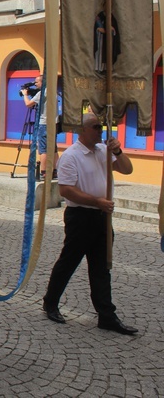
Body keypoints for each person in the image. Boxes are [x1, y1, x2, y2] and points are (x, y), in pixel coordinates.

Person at [42, 113, 136, 334]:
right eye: (96, 126)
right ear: (82, 130)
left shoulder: (104, 151)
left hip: (103, 216)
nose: (101, 130)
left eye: (102, 126)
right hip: (81, 216)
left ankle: (106, 315)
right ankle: (51, 302)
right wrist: (96, 201)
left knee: (102, 267)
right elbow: (66, 190)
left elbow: (127, 169)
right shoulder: (71, 156)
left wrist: (118, 151)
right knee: (69, 261)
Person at [21, 75, 59, 181]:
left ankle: (44, 173)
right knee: (53, 148)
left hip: (44, 124)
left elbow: (28, 104)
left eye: (36, 82)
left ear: (42, 82)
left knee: (43, 149)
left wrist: (25, 94)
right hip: (53, 124)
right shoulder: (52, 92)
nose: (35, 84)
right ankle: (55, 171)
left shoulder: (42, 93)